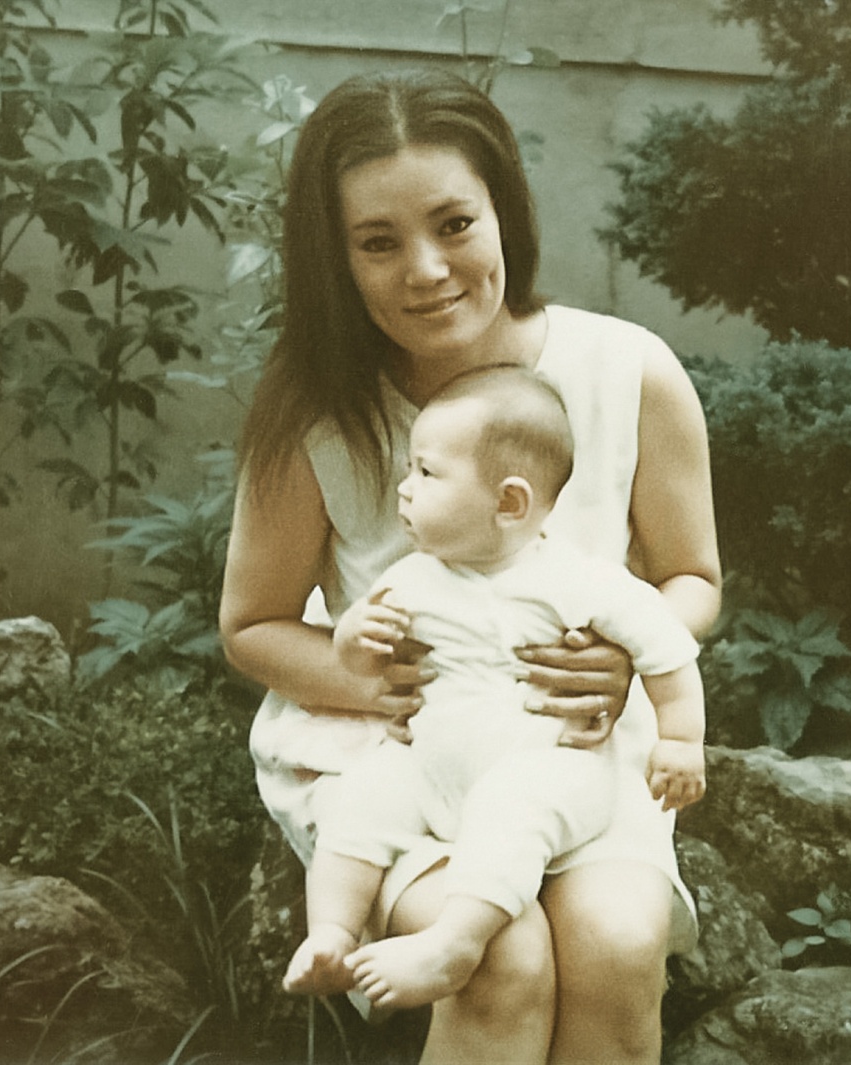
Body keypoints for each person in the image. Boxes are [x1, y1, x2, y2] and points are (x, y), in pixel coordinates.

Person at [219, 66, 721, 1065]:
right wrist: (362, 678)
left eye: (453, 224)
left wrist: (628, 665)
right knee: (500, 960)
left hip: (570, 753)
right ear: (334, 256)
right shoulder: (319, 408)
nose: (424, 269)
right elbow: (252, 624)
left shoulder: (624, 371)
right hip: (400, 756)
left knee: (619, 946)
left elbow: (691, 577)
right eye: (377, 242)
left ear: (504, 214)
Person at [283, 365, 707, 1013]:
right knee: (361, 801)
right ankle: (332, 934)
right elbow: (359, 660)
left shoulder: (579, 580)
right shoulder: (414, 577)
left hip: (548, 767)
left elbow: (668, 652)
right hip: (427, 763)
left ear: (509, 503)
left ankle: (455, 940)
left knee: (509, 814)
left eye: (427, 473)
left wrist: (679, 740)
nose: (404, 489)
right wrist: (356, 637)